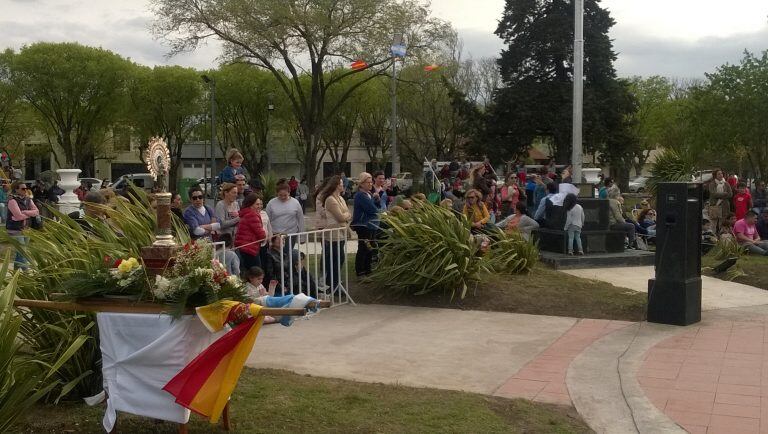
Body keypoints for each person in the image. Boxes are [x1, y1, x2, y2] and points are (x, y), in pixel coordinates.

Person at [322, 175, 351, 291]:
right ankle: (332, 285)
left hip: (342, 232)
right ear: (335, 185)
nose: (342, 186)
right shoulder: (330, 199)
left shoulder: (340, 198)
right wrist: (347, 215)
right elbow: (340, 217)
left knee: (340, 260)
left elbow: (347, 213)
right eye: (340, 184)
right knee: (334, 260)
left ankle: (335, 283)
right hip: (333, 235)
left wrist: (346, 218)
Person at [6, 181, 39, 269]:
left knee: (20, 252)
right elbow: (18, 216)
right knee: (22, 252)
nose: (25, 190)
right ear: (16, 189)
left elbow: (36, 211)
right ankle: (26, 273)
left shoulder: (28, 199)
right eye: (23, 188)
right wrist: (29, 214)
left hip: (26, 229)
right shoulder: (12, 201)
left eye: (26, 188)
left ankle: (15, 273)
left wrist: (25, 212)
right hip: (15, 230)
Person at [265, 181, 305, 256]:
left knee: (287, 255)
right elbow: (267, 220)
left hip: (290, 235)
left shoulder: (295, 202)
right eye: (280, 195)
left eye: (285, 195)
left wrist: (302, 237)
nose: (283, 197)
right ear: (277, 194)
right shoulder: (271, 203)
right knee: (276, 256)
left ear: (289, 193)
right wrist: (268, 235)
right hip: (275, 235)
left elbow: (300, 220)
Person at [351, 172, 379, 277]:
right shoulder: (360, 195)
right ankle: (360, 271)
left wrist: (376, 200)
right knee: (363, 248)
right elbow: (371, 209)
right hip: (363, 225)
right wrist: (380, 211)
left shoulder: (369, 194)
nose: (370, 184)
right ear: (361, 184)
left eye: (371, 182)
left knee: (370, 248)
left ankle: (368, 269)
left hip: (371, 225)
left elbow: (374, 206)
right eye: (368, 182)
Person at [235, 193, 267, 270]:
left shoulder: (246, 213)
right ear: (250, 205)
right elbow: (261, 235)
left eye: (260, 204)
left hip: (244, 247)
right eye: (257, 204)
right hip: (250, 248)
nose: (259, 206)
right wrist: (265, 235)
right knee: (256, 272)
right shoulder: (252, 215)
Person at [214, 183, 240, 247]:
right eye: (233, 193)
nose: (236, 195)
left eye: (236, 193)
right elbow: (222, 224)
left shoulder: (236, 204)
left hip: (235, 238)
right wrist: (237, 218)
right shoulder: (220, 205)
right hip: (224, 239)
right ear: (226, 193)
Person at [708, 169, 733, 235]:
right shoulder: (712, 183)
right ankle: (712, 237)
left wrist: (720, 195)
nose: (720, 175)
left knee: (722, 223)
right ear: (715, 175)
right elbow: (713, 194)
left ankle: (721, 237)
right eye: (719, 174)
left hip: (724, 206)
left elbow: (730, 194)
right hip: (715, 205)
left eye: (721, 173)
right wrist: (724, 194)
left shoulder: (726, 183)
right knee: (713, 223)